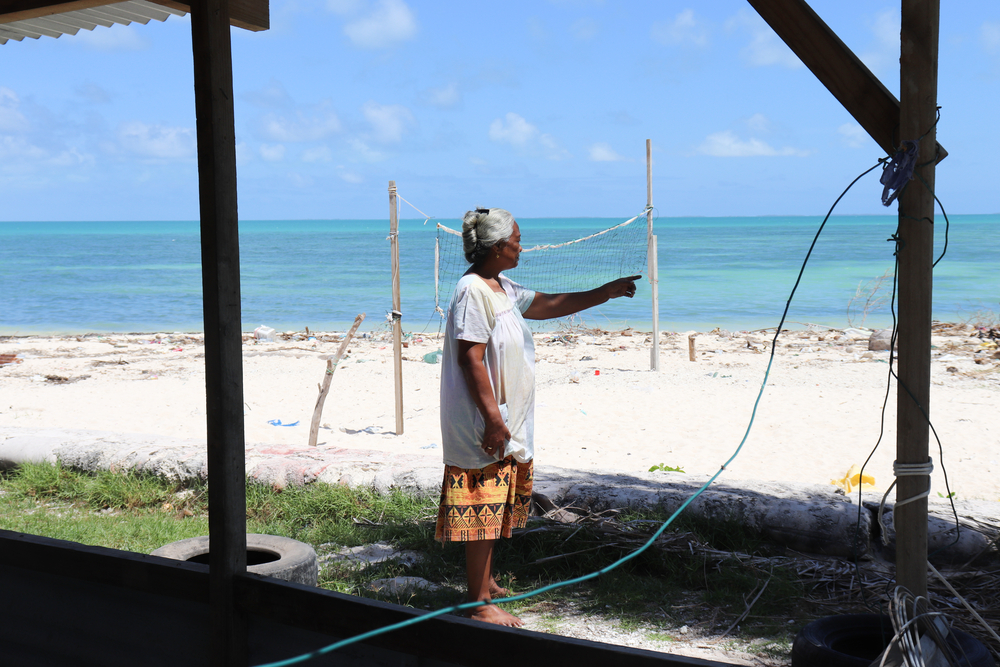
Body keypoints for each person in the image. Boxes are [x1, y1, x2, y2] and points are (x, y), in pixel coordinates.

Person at [435, 207, 639, 627]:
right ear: (497, 247)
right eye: (516, 241)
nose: (521, 248)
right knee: (482, 506)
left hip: (504, 414)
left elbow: (545, 305)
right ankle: (478, 603)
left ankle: (485, 583)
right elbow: (470, 358)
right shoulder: (472, 290)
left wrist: (604, 292)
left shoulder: (500, 285)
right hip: (482, 418)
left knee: (497, 502)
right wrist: (493, 419)